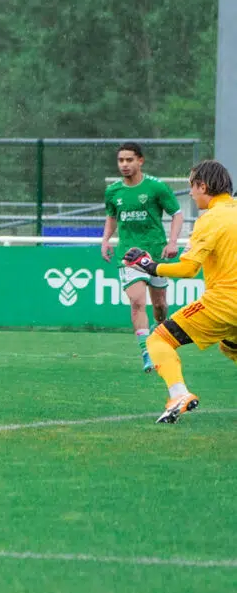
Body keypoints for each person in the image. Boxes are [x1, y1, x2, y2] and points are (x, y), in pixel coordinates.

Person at [122, 159, 237, 423]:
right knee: (231, 347)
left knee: (158, 340)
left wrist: (150, 266)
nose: (191, 193)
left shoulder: (211, 220)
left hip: (225, 303)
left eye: (192, 187)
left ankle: (179, 394)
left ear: (203, 186)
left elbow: (188, 270)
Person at [101, 142, 184, 372]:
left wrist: (173, 241)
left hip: (155, 254)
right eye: (121, 160)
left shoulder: (156, 187)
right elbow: (112, 217)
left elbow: (177, 214)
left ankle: (160, 334)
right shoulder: (113, 191)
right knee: (137, 302)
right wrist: (106, 239)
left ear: (140, 161)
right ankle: (147, 352)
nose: (124, 165)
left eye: (129, 160)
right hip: (128, 255)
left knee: (159, 305)